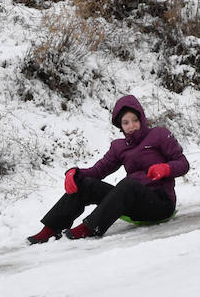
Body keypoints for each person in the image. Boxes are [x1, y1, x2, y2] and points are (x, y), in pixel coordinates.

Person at [27, 94, 190, 244]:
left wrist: (166, 168)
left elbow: (182, 163)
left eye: (134, 120)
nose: (131, 126)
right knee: (87, 184)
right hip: (133, 202)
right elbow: (98, 171)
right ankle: (51, 229)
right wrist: (74, 173)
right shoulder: (119, 147)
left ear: (141, 119)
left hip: (160, 204)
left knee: (128, 184)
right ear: (120, 125)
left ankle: (91, 228)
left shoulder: (159, 135)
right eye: (126, 122)